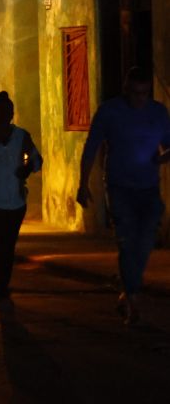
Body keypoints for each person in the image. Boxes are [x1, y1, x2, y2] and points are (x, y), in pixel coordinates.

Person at [77, 66, 170, 324]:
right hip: (119, 187)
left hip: (149, 187)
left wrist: (161, 158)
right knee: (127, 241)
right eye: (135, 93)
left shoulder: (158, 113)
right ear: (126, 90)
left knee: (145, 241)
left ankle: (128, 291)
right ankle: (132, 298)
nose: (140, 99)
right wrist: (83, 184)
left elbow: (168, 144)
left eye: (144, 93)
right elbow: (91, 147)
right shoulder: (110, 112)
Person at [0, 91, 43, 313]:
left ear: (12, 114)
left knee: (8, 245)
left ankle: (3, 285)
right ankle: (2, 287)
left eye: (8, 112)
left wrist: (27, 168)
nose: (4, 116)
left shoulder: (22, 137)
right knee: (0, 245)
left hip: (15, 203)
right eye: (1, 112)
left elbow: (37, 160)